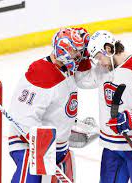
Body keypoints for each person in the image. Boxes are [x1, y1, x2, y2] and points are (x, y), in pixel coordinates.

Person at [75, 30, 132, 183]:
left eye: (99, 57)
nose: (99, 62)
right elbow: (82, 81)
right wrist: (84, 55)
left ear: (109, 49)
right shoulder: (102, 70)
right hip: (112, 146)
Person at [8, 27, 90, 182]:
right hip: (31, 149)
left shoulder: (66, 69)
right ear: (63, 51)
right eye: (75, 52)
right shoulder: (41, 73)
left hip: (58, 149)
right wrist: (42, 149)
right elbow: (23, 117)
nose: (79, 56)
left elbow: (89, 80)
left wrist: (68, 128)